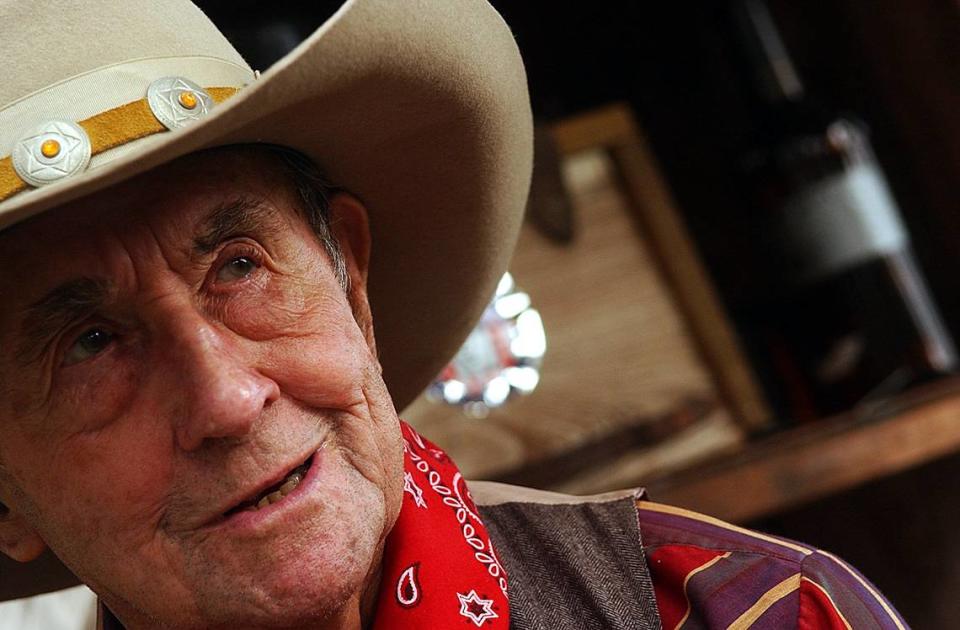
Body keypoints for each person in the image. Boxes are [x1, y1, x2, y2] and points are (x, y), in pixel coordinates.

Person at [0, 1, 909, 628]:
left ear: (352, 282)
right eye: (89, 344)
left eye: (239, 267)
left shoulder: (745, 617)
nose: (228, 400)